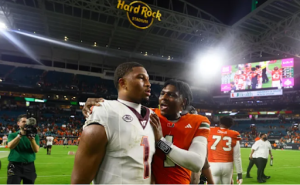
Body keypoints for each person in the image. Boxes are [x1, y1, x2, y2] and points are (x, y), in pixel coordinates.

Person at [82, 79, 210, 184]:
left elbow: (197, 163)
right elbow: (120, 108)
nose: (163, 98)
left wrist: (161, 141)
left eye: (171, 95)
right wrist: (100, 104)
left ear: (184, 102)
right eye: (162, 93)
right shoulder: (149, 114)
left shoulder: (198, 121)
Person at [71, 62, 157, 184]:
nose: (148, 84)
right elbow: (80, 181)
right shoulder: (105, 111)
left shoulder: (154, 117)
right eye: (141, 78)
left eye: (148, 79)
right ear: (123, 83)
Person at [207, 116, 243, 184]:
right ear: (231, 125)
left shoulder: (210, 130)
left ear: (220, 122)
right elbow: (237, 157)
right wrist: (239, 174)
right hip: (227, 165)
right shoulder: (234, 134)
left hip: (212, 164)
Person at [7, 114, 40, 184]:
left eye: (27, 122)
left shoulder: (35, 136)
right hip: (14, 165)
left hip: (29, 166)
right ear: (18, 123)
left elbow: (36, 150)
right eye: (24, 121)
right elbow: (10, 146)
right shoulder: (13, 135)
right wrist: (20, 135)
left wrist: (32, 140)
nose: (26, 123)